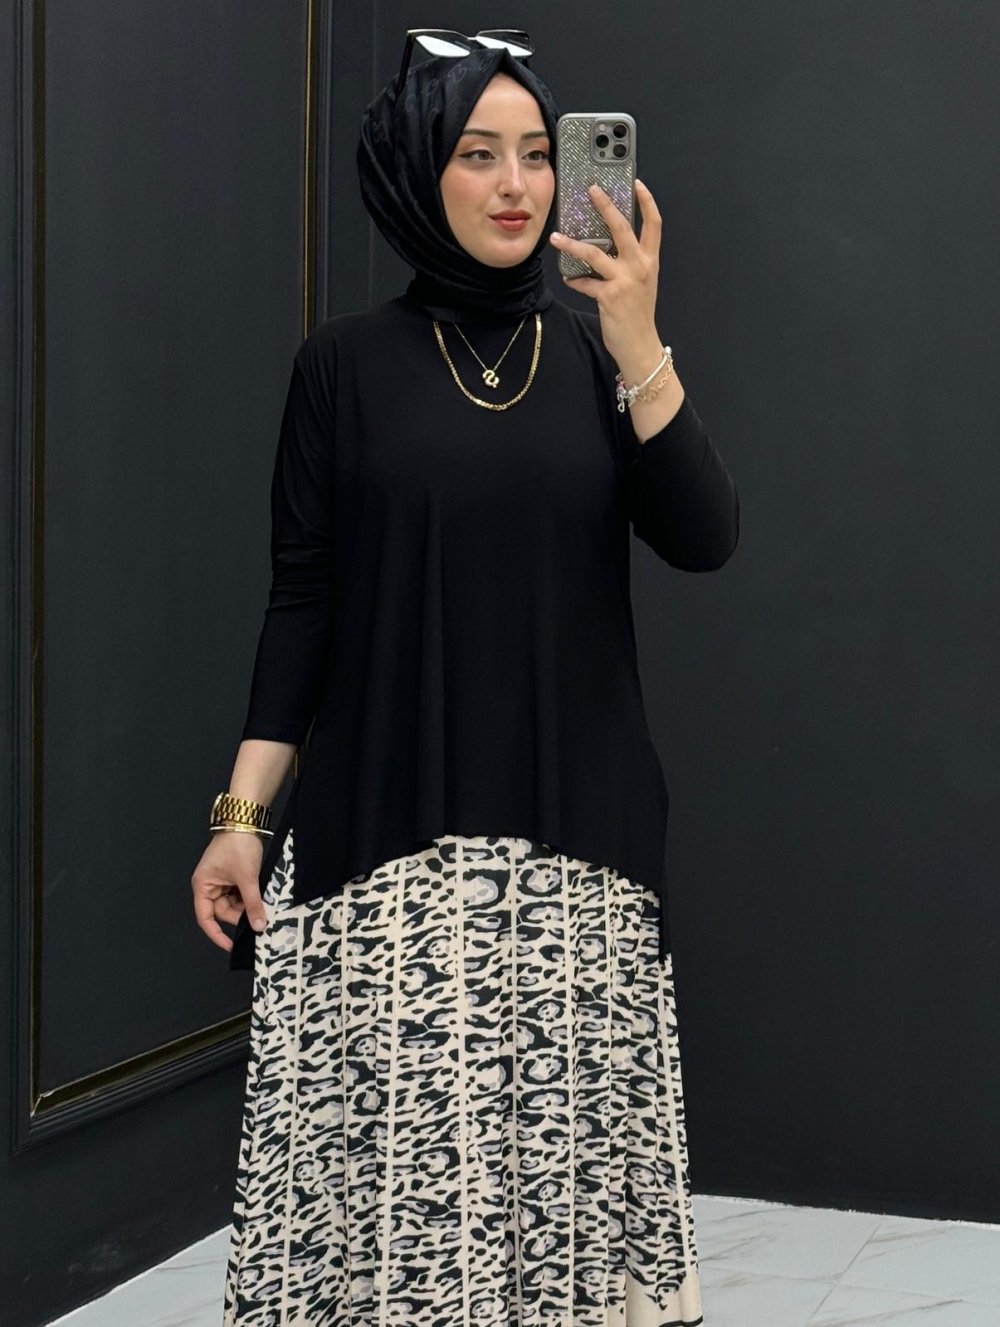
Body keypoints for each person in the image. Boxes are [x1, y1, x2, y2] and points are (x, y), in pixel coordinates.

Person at [192, 36, 738, 1327]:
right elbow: (302, 603)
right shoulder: (340, 368)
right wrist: (240, 818)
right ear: (415, 173)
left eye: (538, 156)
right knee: (407, 1224)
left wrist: (640, 338)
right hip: (391, 847)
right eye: (478, 154)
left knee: (562, 1216)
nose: (517, 186)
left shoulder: (601, 360)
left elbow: (707, 535)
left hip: (578, 853)